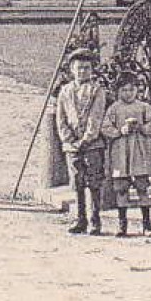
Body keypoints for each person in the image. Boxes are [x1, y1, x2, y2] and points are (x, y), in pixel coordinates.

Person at [54, 48, 108, 235]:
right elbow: (60, 118)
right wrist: (68, 139)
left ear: (92, 69)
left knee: (94, 182)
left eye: (87, 68)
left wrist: (86, 139)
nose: (82, 72)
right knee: (77, 182)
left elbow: (96, 117)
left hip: (92, 145)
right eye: (79, 68)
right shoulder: (65, 91)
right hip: (72, 146)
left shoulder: (97, 90)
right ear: (71, 69)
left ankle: (95, 219)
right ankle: (80, 219)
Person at [101, 73, 151, 237]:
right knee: (121, 188)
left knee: (142, 187)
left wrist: (141, 128)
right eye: (124, 90)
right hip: (121, 152)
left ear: (137, 90)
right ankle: (122, 224)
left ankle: (147, 224)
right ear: (118, 91)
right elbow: (105, 127)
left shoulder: (143, 107)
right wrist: (119, 131)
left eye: (132, 90)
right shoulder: (114, 108)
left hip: (140, 152)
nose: (128, 93)